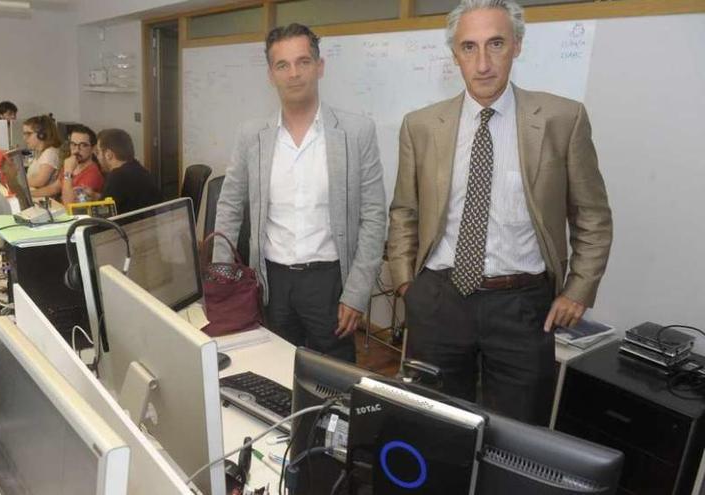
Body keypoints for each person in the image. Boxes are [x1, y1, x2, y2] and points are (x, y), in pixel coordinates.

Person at [387, 0, 612, 425]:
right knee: (435, 427)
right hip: (439, 300)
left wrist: (578, 290)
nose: (483, 63)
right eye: (469, 48)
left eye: (496, 44)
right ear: (455, 55)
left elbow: (593, 217)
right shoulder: (420, 126)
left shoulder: (563, 119)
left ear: (517, 46)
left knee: (515, 433)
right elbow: (404, 211)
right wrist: (405, 285)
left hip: (522, 307)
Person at [214, 23, 386, 363]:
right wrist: (223, 276)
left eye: (303, 62)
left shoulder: (356, 132)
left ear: (319, 67)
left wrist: (357, 293)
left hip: (330, 282)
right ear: (271, 74)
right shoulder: (253, 136)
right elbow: (230, 205)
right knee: (274, 370)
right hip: (270, 283)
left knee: (333, 381)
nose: (294, 73)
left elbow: (374, 216)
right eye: (283, 65)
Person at [94, 129, 160, 214]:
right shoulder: (140, 170)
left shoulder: (117, 177)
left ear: (108, 154)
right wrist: (96, 196)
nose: (97, 157)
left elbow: (103, 214)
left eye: (98, 152)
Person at [60, 125, 104, 205]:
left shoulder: (93, 174)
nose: (76, 150)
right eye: (73, 144)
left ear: (93, 149)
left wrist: (68, 172)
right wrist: (31, 194)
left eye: (83, 145)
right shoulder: (71, 163)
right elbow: (54, 187)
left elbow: (69, 203)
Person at [22, 115, 62, 198]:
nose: (24, 138)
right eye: (24, 134)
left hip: (45, 200)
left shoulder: (50, 153)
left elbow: (40, 181)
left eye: (28, 134)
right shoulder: (40, 153)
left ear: (42, 135)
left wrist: (19, 183)